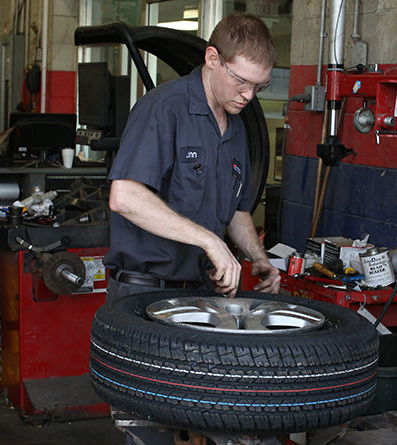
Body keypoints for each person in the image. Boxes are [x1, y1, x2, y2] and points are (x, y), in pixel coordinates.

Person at [104, 12, 281, 304]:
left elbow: (237, 211)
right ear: (212, 58)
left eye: (260, 86)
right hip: (144, 293)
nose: (249, 95)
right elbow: (125, 197)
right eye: (241, 81)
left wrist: (258, 257)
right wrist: (211, 241)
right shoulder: (164, 109)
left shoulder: (236, 126)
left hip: (200, 292)